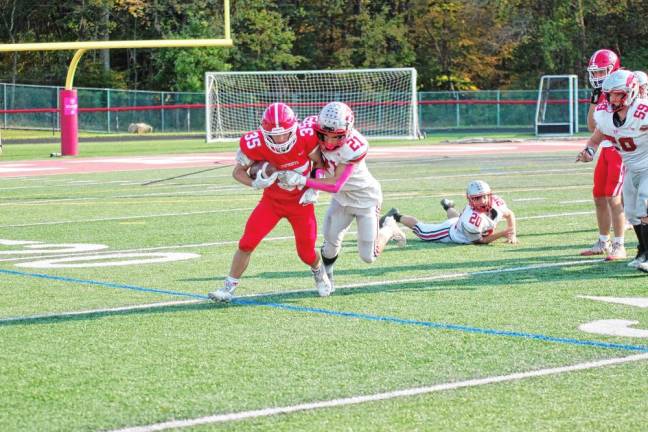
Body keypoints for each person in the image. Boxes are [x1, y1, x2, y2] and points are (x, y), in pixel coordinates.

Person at [208, 102, 332, 302]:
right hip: (272, 201)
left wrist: (313, 187)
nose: (280, 138)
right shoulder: (255, 142)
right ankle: (228, 288)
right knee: (247, 242)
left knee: (306, 253)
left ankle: (318, 270)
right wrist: (255, 183)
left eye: (284, 133)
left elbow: (319, 163)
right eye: (275, 134)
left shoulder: (305, 137)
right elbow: (237, 172)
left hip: (301, 203)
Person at [276, 102, 406, 288]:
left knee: (368, 256)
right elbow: (309, 155)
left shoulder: (355, 146)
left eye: (336, 137)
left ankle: (389, 227)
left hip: (365, 199)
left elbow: (336, 184)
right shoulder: (310, 127)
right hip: (341, 200)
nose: (329, 142)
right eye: (324, 135)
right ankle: (327, 277)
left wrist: (302, 180)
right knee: (329, 245)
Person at [576, 69, 648, 272]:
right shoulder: (606, 115)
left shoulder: (643, 111)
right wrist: (588, 151)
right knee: (633, 214)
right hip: (631, 168)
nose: (614, 99)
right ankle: (642, 252)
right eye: (610, 94)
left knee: (645, 204)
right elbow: (596, 137)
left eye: (619, 94)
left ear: (632, 92)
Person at [581, 49, 626, 260]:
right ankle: (603, 240)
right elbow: (592, 126)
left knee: (613, 197)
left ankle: (620, 244)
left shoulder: (623, 88)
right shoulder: (601, 92)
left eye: (601, 72)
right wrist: (595, 98)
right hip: (606, 149)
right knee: (599, 195)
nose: (597, 77)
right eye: (595, 73)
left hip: (621, 149)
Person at [380, 180, 517, 245]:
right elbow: (480, 241)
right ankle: (395, 216)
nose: (482, 200)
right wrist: (502, 234)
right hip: (450, 233)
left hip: (458, 223)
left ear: (490, 195)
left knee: (457, 219)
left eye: (484, 196)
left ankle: (447, 206)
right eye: (477, 198)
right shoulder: (471, 219)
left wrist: (512, 235)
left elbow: (510, 214)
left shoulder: (497, 204)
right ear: (470, 200)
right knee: (422, 231)